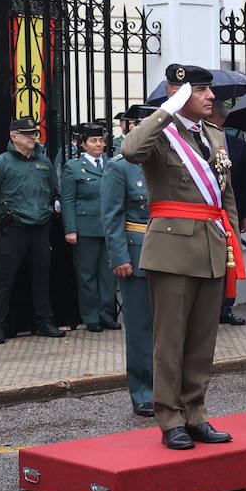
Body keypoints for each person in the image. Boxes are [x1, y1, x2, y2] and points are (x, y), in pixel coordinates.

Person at [121, 62, 242, 449]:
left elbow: (226, 195)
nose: (211, 97)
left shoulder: (214, 135)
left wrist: (232, 239)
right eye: (202, 92)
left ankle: (195, 413)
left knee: (202, 339)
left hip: (210, 244)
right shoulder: (161, 133)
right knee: (170, 340)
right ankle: (169, 417)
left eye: (209, 91)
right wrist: (167, 109)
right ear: (183, 94)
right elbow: (129, 149)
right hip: (171, 249)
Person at [0, 116, 66, 345]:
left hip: (39, 228)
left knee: (41, 277)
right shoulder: (0, 164)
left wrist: (45, 209)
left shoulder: (44, 162)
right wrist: (2, 214)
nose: (32, 138)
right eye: (27, 134)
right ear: (13, 136)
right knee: (6, 280)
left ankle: (44, 322)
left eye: (34, 134)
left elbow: (51, 191)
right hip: (14, 228)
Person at [102, 104, 156, 418]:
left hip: (171, 252)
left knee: (170, 327)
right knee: (140, 328)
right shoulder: (120, 166)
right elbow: (111, 216)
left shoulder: (167, 159)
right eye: (142, 124)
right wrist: (120, 256)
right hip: (136, 255)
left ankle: (168, 388)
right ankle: (143, 391)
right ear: (129, 127)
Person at [61, 122, 119, 332]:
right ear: (83, 144)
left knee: (109, 274)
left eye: (101, 141)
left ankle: (106, 314)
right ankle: (91, 316)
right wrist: (70, 229)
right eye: (94, 141)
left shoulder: (111, 164)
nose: (99, 145)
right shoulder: (73, 167)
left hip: (109, 228)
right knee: (87, 275)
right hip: (85, 228)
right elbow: (67, 200)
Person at [203, 99, 246, 327]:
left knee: (231, 260)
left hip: (232, 212)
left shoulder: (237, 144)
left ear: (219, 119)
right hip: (209, 212)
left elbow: (245, 183)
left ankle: (226, 306)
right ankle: (209, 308)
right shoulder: (199, 142)